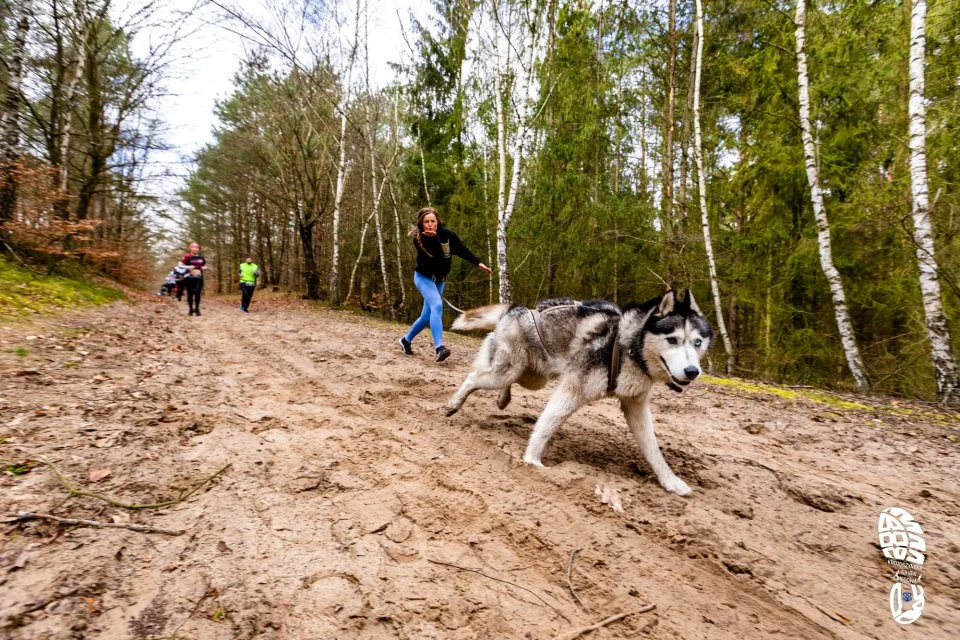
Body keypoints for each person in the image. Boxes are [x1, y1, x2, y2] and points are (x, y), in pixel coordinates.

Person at [399, 207, 491, 362]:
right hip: (424, 278)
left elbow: (461, 249)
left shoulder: (447, 235)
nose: (429, 224)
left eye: (432, 221)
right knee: (437, 306)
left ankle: (405, 340)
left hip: (440, 280)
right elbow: (434, 259)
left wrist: (478, 263)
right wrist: (433, 239)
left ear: (437, 222)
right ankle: (439, 348)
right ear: (421, 224)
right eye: (426, 222)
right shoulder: (419, 240)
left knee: (426, 316)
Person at [180, 242, 207, 316]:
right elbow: (180, 265)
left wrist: (203, 268)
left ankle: (197, 309)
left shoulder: (201, 258)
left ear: (198, 249)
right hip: (189, 277)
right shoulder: (187, 256)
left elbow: (205, 266)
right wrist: (188, 267)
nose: (195, 249)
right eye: (193, 247)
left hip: (199, 277)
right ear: (190, 248)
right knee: (190, 294)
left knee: (197, 293)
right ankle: (191, 309)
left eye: (197, 247)